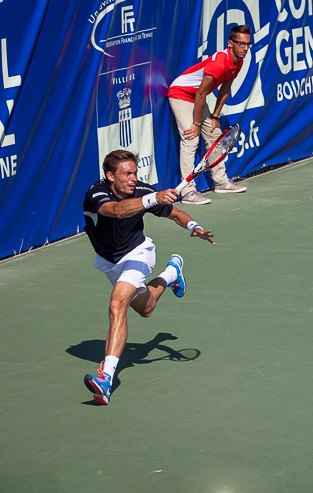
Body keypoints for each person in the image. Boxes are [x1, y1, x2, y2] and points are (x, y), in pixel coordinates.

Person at [82, 149, 215, 405]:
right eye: (127, 174)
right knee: (145, 308)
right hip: (109, 261)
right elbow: (118, 211)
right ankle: (171, 273)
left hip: (138, 253)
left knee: (117, 303)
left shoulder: (143, 191)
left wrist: (193, 226)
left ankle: (105, 379)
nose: (133, 178)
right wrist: (153, 197)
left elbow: (176, 213)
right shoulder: (95, 194)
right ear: (110, 176)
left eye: (135, 173)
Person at [167, 25, 253, 205]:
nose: (245, 48)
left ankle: (221, 182)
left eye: (247, 44)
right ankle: (188, 192)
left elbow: (225, 89)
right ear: (230, 43)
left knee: (214, 135)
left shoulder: (238, 62)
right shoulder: (219, 63)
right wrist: (196, 124)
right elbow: (200, 94)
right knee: (190, 138)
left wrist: (215, 116)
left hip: (198, 96)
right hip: (181, 94)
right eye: (241, 44)